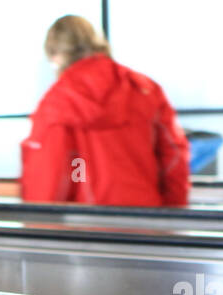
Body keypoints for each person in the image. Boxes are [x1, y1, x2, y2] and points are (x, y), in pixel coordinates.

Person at [20, 15, 189, 207]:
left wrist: (41, 227)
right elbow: (173, 155)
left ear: (56, 55)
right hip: (147, 217)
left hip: (88, 225)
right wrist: (172, 210)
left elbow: (51, 176)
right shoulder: (145, 89)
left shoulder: (57, 102)